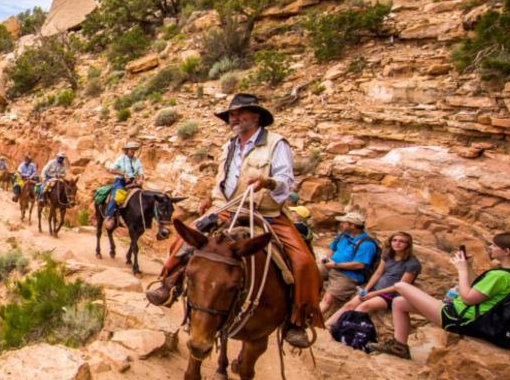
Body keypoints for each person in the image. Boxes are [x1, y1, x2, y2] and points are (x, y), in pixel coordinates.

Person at [146, 93, 323, 347]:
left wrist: (268, 182)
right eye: (231, 115)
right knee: (186, 239)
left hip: (265, 213)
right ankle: (169, 283)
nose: (235, 118)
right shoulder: (230, 145)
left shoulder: (276, 144)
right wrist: (210, 196)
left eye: (240, 114)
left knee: (303, 261)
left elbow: (286, 181)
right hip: (227, 208)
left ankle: (297, 320)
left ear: (256, 117)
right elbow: (226, 178)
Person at [375, 232, 510, 359]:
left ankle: (398, 345)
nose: (491, 247)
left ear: (506, 252)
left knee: (401, 286)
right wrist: (469, 268)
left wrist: (461, 270)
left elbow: (467, 298)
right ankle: (399, 345)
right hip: (467, 316)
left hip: (459, 318)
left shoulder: (500, 276)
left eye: (494, 245)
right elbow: (475, 290)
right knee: (400, 302)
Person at [325, 232, 421, 329]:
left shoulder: (412, 263)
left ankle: (339, 330)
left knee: (364, 307)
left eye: (401, 241)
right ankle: (327, 327)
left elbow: (400, 287)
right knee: (349, 305)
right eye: (395, 240)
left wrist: (374, 293)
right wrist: (367, 289)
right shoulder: (388, 255)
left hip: (391, 294)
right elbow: (378, 273)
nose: (397, 243)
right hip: (376, 289)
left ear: (408, 245)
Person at [318, 212, 379, 317]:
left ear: (353, 226)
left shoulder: (366, 244)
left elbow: (360, 264)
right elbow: (332, 248)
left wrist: (336, 265)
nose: (341, 224)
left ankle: (309, 320)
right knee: (307, 275)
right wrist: (327, 259)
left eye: (344, 223)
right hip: (330, 266)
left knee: (329, 298)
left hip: (348, 275)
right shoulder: (342, 235)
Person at [102, 141, 144, 229]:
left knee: (141, 197)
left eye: (134, 149)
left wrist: (140, 179)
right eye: (131, 149)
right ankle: (109, 216)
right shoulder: (121, 159)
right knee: (116, 197)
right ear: (127, 150)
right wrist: (123, 174)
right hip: (121, 181)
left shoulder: (137, 160)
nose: (133, 151)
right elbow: (112, 170)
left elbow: (140, 172)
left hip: (132, 182)